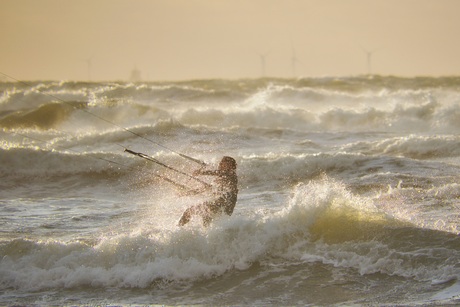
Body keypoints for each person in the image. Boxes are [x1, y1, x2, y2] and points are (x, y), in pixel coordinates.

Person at [178, 156, 238, 227]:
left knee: (190, 211)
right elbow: (202, 189)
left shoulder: (232, 175)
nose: (220, 165)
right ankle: (205, 235)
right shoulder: (219, 180)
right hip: (221, 205)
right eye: (220, 163)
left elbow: (219, 173)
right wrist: (185, 193)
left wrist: (201, 173)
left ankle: (179, 228)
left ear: (230, 165)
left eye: (223, 163)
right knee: (205, 218)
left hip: (224, 205)